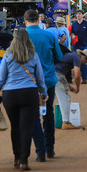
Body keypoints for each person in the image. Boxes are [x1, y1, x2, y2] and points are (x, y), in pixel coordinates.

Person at [0, 28, 48, 171]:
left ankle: (16, 157)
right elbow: (40, 77)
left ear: (14, 39)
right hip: (29, 93)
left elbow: (0, 78)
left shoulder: (8, 56)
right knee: (26, 128)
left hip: (10, 95)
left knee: (15, 127)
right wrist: (44, 92)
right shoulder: (33, 55)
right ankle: (24, 161)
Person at [25, 9, 63, 161]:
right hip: (48, 80)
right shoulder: (48, 35)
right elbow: (59, 57)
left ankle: (39, 151)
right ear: (39, 20)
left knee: (33, 116)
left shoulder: (22, 36)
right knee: (48, 113)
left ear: (25, 21)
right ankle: (50, 148)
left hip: (29, 83)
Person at [55, 49, 87, 129]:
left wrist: (68, 86)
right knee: (65, 97)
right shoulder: (76, 58)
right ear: (84, 57)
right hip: (57, 74)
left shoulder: (71, 55)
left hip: (52, 73)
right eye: (86, 61)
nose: (84, 63)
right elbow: (77, 76)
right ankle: (66, 122)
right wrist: (78, 87)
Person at [71, 9, 87, 84]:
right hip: (76, 46)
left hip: (85, 45)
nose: (78, 15)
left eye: (80, 14)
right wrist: (73, 37)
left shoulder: (86, 24)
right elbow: (72, 33)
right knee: (79, 62)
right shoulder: (74, 24)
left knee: (85, 61)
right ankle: (84, 78)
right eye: (77, 14)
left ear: (82, 15)